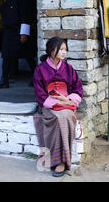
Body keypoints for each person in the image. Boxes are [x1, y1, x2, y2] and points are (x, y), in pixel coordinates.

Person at [33, 37, 83, 177]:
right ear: (51, 50)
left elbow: (78, 90)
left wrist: (67, 100)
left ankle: (62, 162)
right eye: (60, 49)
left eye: (65, 50)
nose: (63, 52)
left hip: (66, 105)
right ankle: (53, 159)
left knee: (65, 117)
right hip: (49, 106)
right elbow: (40, 93)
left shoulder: (68, 69)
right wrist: (55, 102)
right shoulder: (40, 70)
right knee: (57, 119)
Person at [0, 0, 36, 88]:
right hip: (9, 31)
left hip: (19, 31)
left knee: (28, 55)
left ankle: (37, 79)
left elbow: (25, 15)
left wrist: (24, 33)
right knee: (6, 55)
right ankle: (4, 80)